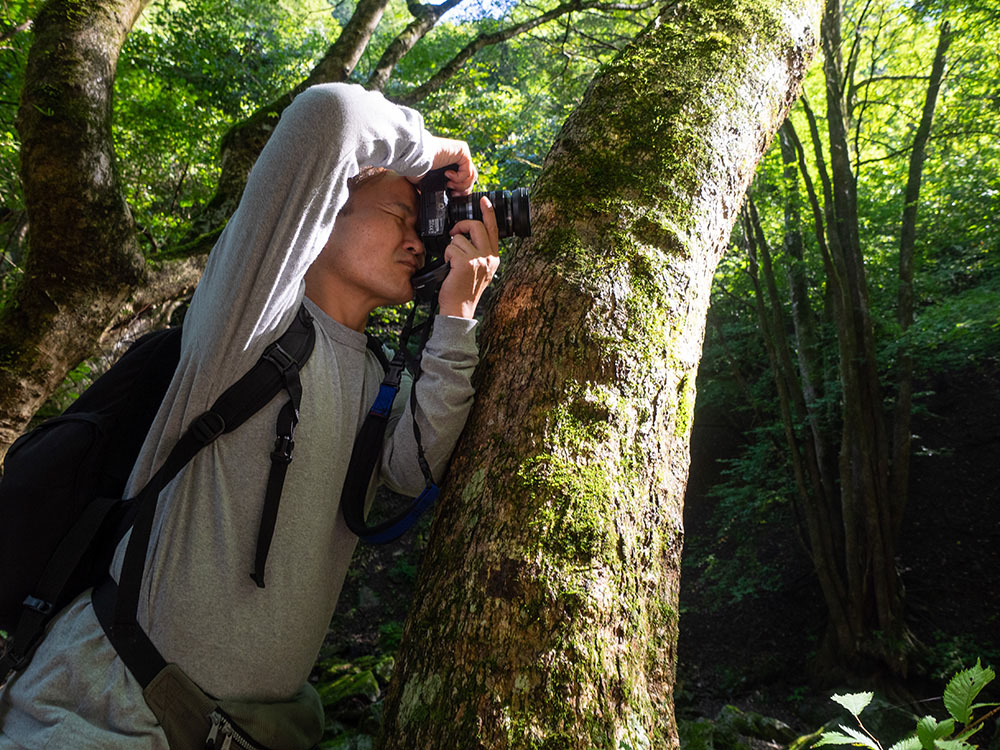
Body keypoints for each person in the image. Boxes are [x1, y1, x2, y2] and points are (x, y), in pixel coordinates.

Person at [0, 82, 499, 748]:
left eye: (421, 227)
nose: (417, 241)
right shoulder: (251, 318)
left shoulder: (378, 376)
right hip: (104, 714)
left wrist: (457, 319)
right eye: (398, 216)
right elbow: (330, 116)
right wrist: (430, 149)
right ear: (324, 216)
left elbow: (416, 469)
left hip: (244, 734)